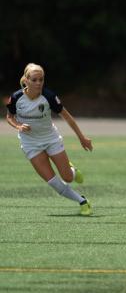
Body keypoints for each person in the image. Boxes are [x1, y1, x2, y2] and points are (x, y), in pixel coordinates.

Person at [5, 63, 93, 215]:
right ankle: (83, 202)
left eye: (41, 79)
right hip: (30, 144)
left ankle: (72, 170)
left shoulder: (49, 97)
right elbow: (9, 117)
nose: (38, 83)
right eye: (34, 80)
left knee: (67, 177)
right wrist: (18, 126)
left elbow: (67, 117)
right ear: (26, 81)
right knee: (53, 182)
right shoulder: (16, 97)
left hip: (51, 139)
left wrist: (82, 138)